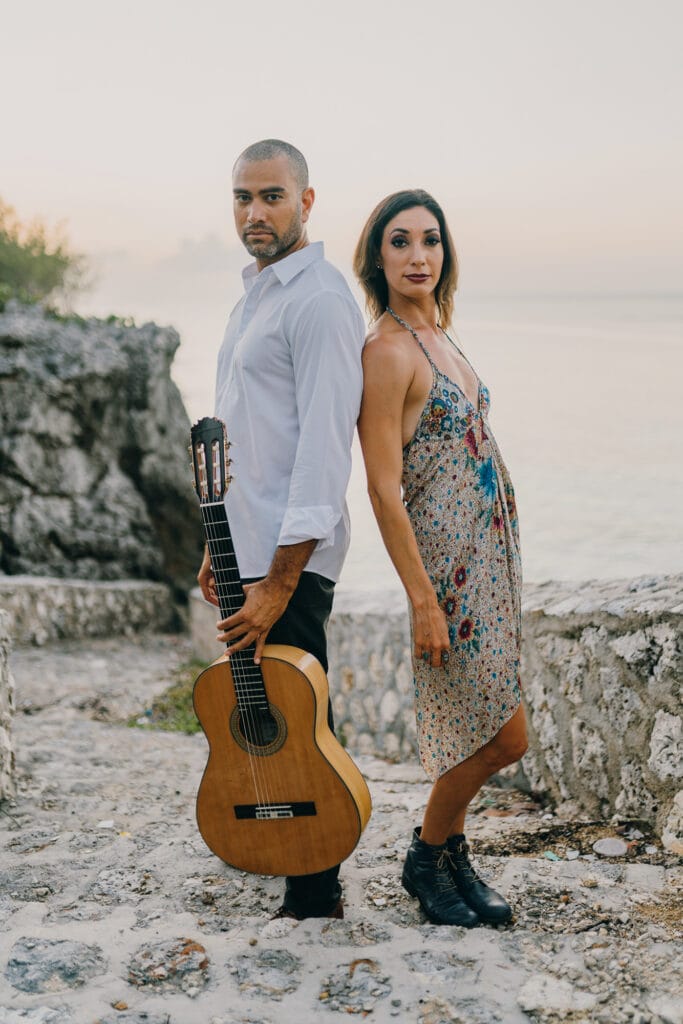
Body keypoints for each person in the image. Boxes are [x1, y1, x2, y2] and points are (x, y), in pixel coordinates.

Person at [197, 139, 365, 920]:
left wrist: (279, 579)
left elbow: (323, 452)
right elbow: (246, 436)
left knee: (299, 715)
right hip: (246, 547)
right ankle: (276, 845)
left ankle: (314, 883)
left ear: (305, 201)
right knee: (262, 710)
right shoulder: (253, 296)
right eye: (241, 197)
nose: (254, 212)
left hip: (288, 560)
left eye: (270, 196)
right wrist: (218, 543)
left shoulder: (320, 299)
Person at [354, 190, 528, 927]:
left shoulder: (443, 338)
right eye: (400, 242)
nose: (418, 255)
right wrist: (422, 597)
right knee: (500, 734)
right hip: (447, 574)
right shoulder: (387, 351)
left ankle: (454, 859)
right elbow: (382, 488)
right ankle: (427, 857)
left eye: (430, 240)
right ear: (378, 258)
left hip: (490, 564)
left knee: (478, 723)